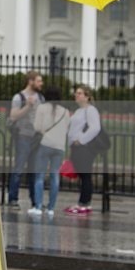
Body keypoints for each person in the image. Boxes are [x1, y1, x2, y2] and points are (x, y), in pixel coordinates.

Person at [29, 87, 71, 217]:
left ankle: (38, 206)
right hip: (59, 146)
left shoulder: (42, 108)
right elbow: (67, 128)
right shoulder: (65, 111)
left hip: (45, 143)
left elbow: (37, 127)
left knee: (40, 176)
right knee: (55, 176)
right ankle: (51, 208)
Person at [6, 70, 45, 209]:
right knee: (19, 168)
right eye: (39, 81)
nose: (41, 83)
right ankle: (12, 198)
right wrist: (28, 106)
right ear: (31, 81)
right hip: (23, 135)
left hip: (37, 137)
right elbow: (13, 116)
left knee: (34, 170)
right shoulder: (19, 97)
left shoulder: (40, 97)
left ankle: (35, 200)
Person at [65, 83, 100, 215]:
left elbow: (95, 127)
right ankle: (82, 202)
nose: (76, 95)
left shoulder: (90, 110)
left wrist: (82, 139)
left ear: (87, 97)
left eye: (79, 93)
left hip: (84, 147)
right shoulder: (79, 111)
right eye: (76, 93)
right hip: (76, 146)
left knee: (85, 175)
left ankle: (85, 203)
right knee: (81, 174)